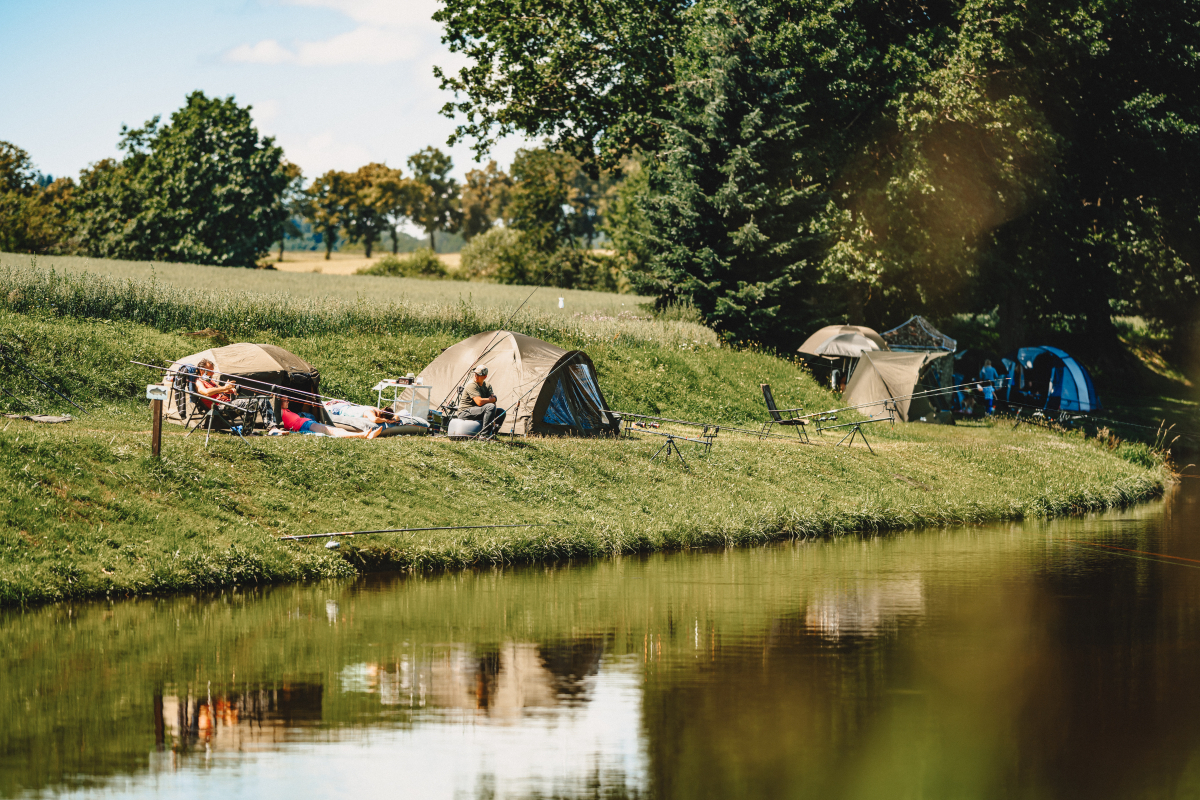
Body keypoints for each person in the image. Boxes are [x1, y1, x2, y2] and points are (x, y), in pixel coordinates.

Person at [193, 358, 279, 431]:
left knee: (262, 398)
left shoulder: (210, 381)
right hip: (220, 408)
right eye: (210, 371)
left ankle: (272, 428)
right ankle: (249, 430)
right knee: (253, 402)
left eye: (212, 371)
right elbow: (206, 392)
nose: (213, 373)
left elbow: (220, 389)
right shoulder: (198, 382)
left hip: (229, 404)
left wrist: (229, 389)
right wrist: (224, 388)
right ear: (202, 371)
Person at [280, 398, 380, 439]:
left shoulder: (287, 410)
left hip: (309, 422)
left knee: (337, 429)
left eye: (288, 400)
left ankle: (363, 435)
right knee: (332, 431)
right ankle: (363, 435)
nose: (288, 402)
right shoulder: (280, 411)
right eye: (285, 400)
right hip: (304, 425)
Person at [456, 366, 506, 436]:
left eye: (479, 375)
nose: (476, 376)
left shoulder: (487, 385)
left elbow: (493, 402)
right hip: (465, 412)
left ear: (485, 377)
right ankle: (484, 435)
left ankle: (493, 433)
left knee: (501, 412)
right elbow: (479, 402)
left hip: (479, 411)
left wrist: (494, 416)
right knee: (490, 407)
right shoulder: (471, 384)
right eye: (475, 374)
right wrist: (493, 399)